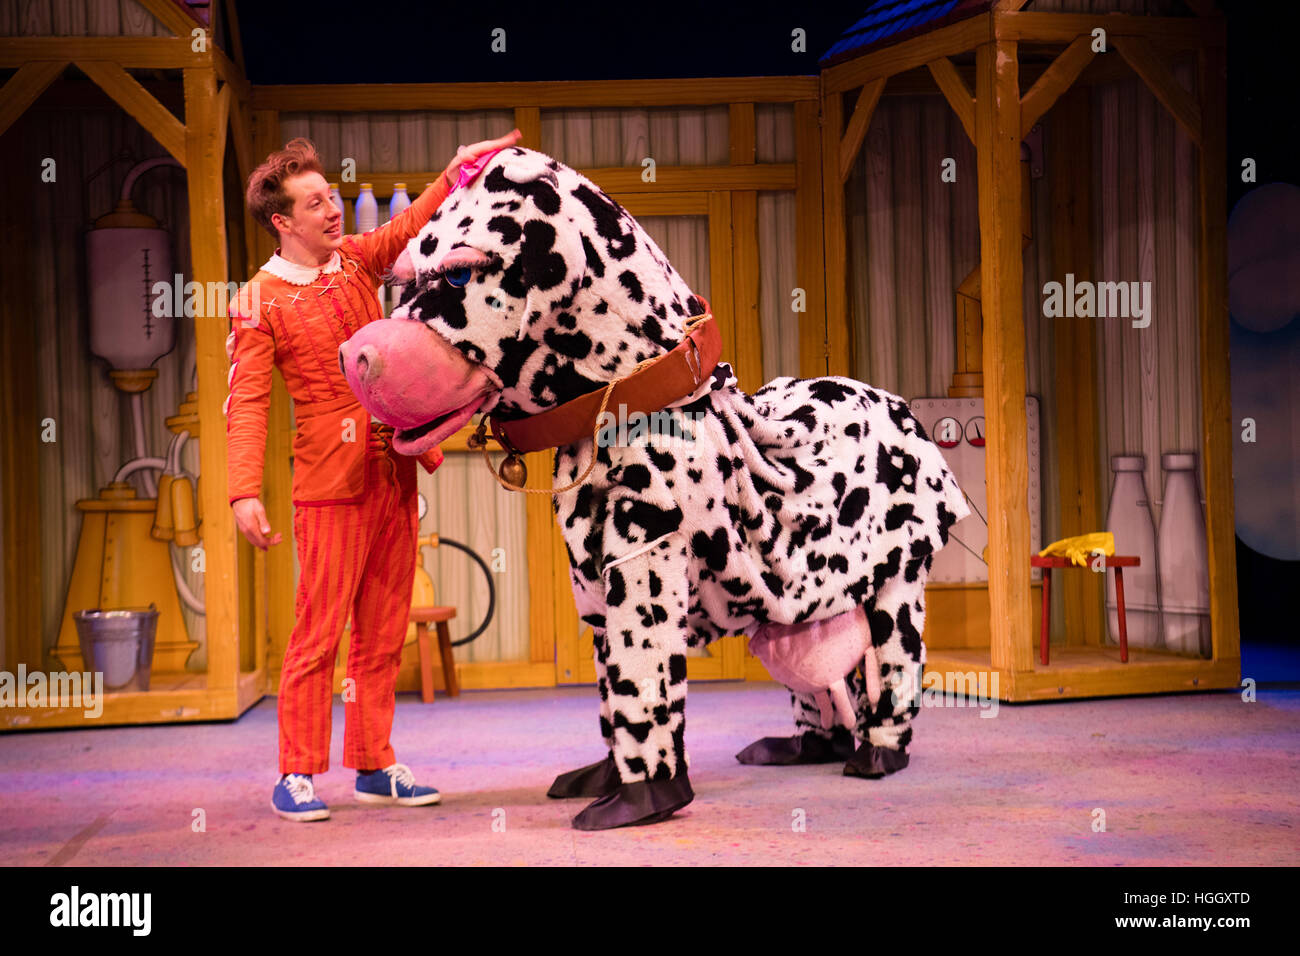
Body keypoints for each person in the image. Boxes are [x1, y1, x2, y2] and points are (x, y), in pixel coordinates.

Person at [225, 129, 521, 821]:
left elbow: (410, 224)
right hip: (329, 485)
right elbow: (246, 402)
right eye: (315, 203)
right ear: (281, 221)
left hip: (393, 470)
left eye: (331, 197)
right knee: (317, 632)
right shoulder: (258, 298)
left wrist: (453, 172)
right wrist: (244, 490)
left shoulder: (356, 263)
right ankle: (296, 772)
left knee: (383, 631)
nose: (333, 210)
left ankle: (374, 762)